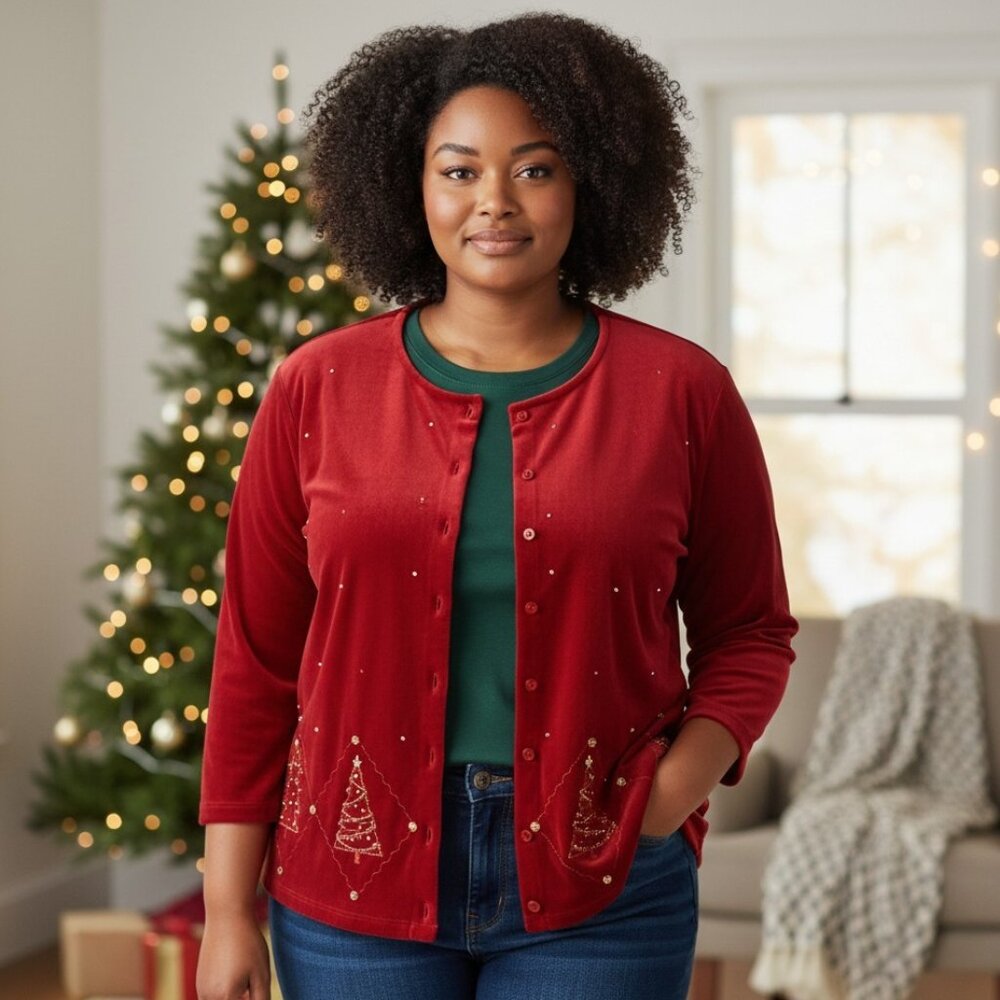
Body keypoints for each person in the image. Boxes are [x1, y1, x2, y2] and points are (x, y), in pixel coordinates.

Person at [196, 11, 798, 1000]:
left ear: (590, 183)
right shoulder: (315, 387)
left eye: (534, 168)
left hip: (607, 885)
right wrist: (227, 908)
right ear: (410, 185)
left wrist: (674, 788)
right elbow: (256, 660)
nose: (495, 202)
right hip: (350, 880)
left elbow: (752, 631)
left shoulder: (682, 392)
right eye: (459, 170)